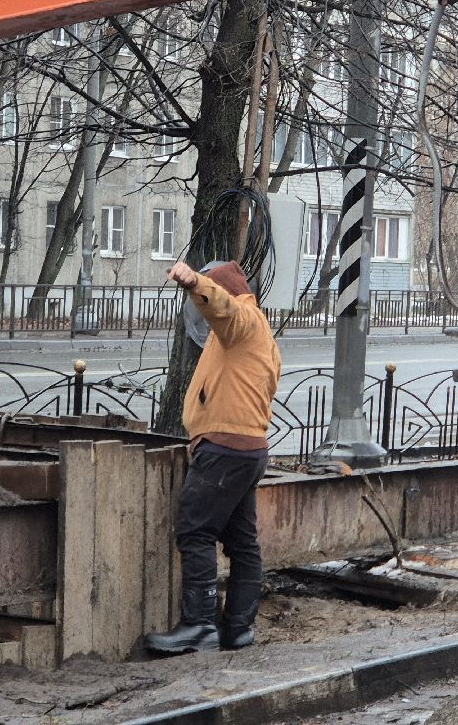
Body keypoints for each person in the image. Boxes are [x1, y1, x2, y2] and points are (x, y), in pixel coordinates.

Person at [144, 259, 283, 654]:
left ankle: (200, 625)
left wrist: (195, 283)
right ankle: (238, 629)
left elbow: (223, 306)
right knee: (242, 542)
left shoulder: (244, 322)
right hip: (246, 448)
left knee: (195, 530)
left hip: (225, 448)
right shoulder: (254, 337)